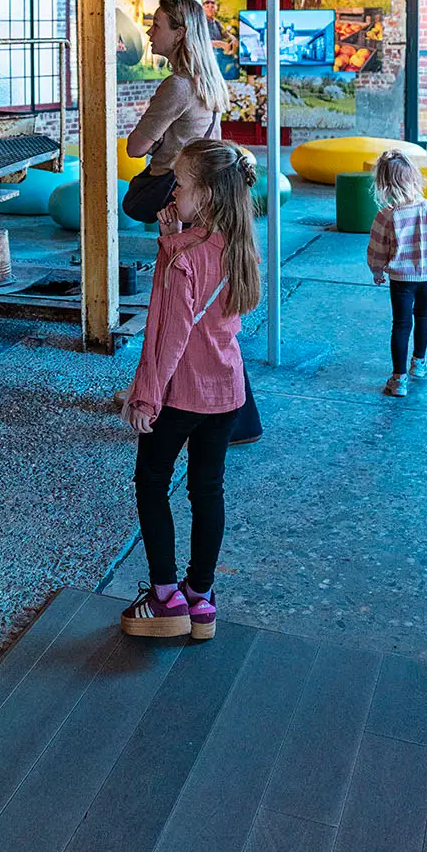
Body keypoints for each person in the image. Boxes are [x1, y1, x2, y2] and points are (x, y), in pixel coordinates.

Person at [119, 140, 261, 641]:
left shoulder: (185, 262)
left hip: (180, 394)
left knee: (152, 482)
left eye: (179, 183)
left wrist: (145, 398)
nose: (171, 190)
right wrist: (172, 239)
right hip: (226, 390)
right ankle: (200, 599)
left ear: (203, 195)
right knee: (207, 489)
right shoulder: (238, 244)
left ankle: (163, 598)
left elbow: (171, 336)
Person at [121, 0, 262, 443]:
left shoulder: (177, 86)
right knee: (207, 311)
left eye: (157, 23)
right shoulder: (209, 79)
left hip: (177, 195)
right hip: (209, 199)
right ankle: (228, 410)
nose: (149, 31)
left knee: (179, 309)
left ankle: (212, 410)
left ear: (180, 33)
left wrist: (152, 133)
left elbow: (136, 147)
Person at [366, 151, 427, 398]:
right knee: (424, 314)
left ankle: (398, 379)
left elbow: (376, 248)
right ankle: (419, 362)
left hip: (401, 279)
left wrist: (377, 271)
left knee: (400, 324)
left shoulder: (386, 214)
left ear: (384, 184)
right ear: (414, 179)